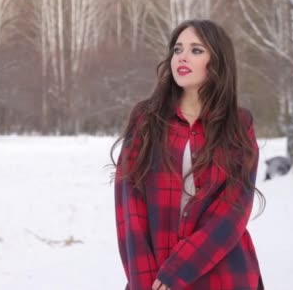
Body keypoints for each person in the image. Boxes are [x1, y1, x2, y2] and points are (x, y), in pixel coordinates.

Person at [111, 19, 265, 290]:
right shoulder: (146, 119)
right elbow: (129, 208)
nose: (182, 57)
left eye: (196, 50)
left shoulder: (239, 124)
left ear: (217, 61)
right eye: (177, 49)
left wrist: (179, 270)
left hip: (224, 275)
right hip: (156, 276)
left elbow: (232, 210)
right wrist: (144, 281)